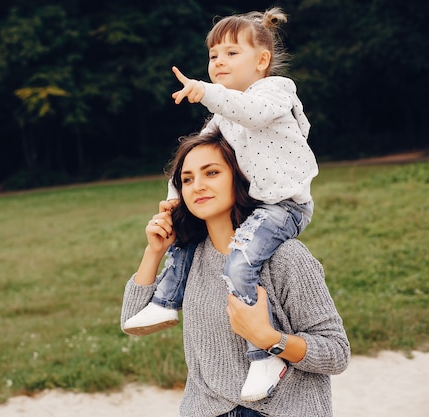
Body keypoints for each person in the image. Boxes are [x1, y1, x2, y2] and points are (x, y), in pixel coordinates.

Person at [122, 7, 319, 401]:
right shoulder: (222, 113)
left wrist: (205, 90)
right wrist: (171, 208)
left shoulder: (275, 91)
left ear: (262, 61)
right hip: (206, 406)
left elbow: (250, 111)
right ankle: (164, 301)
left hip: (284, 204)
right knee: (184, 244)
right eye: (214, 56)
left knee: (242, 260)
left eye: (231, 53)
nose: (219, 62)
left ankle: (262, 355)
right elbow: (192, 157)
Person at [120, 129, 350, 416]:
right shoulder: (190, 255)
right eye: (187, 179)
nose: (197, 186)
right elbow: (131, 320)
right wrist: (153, 252)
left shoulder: (286, 257)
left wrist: (270, 339)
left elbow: (336, 353)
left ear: (240, 175)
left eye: (212, 173)